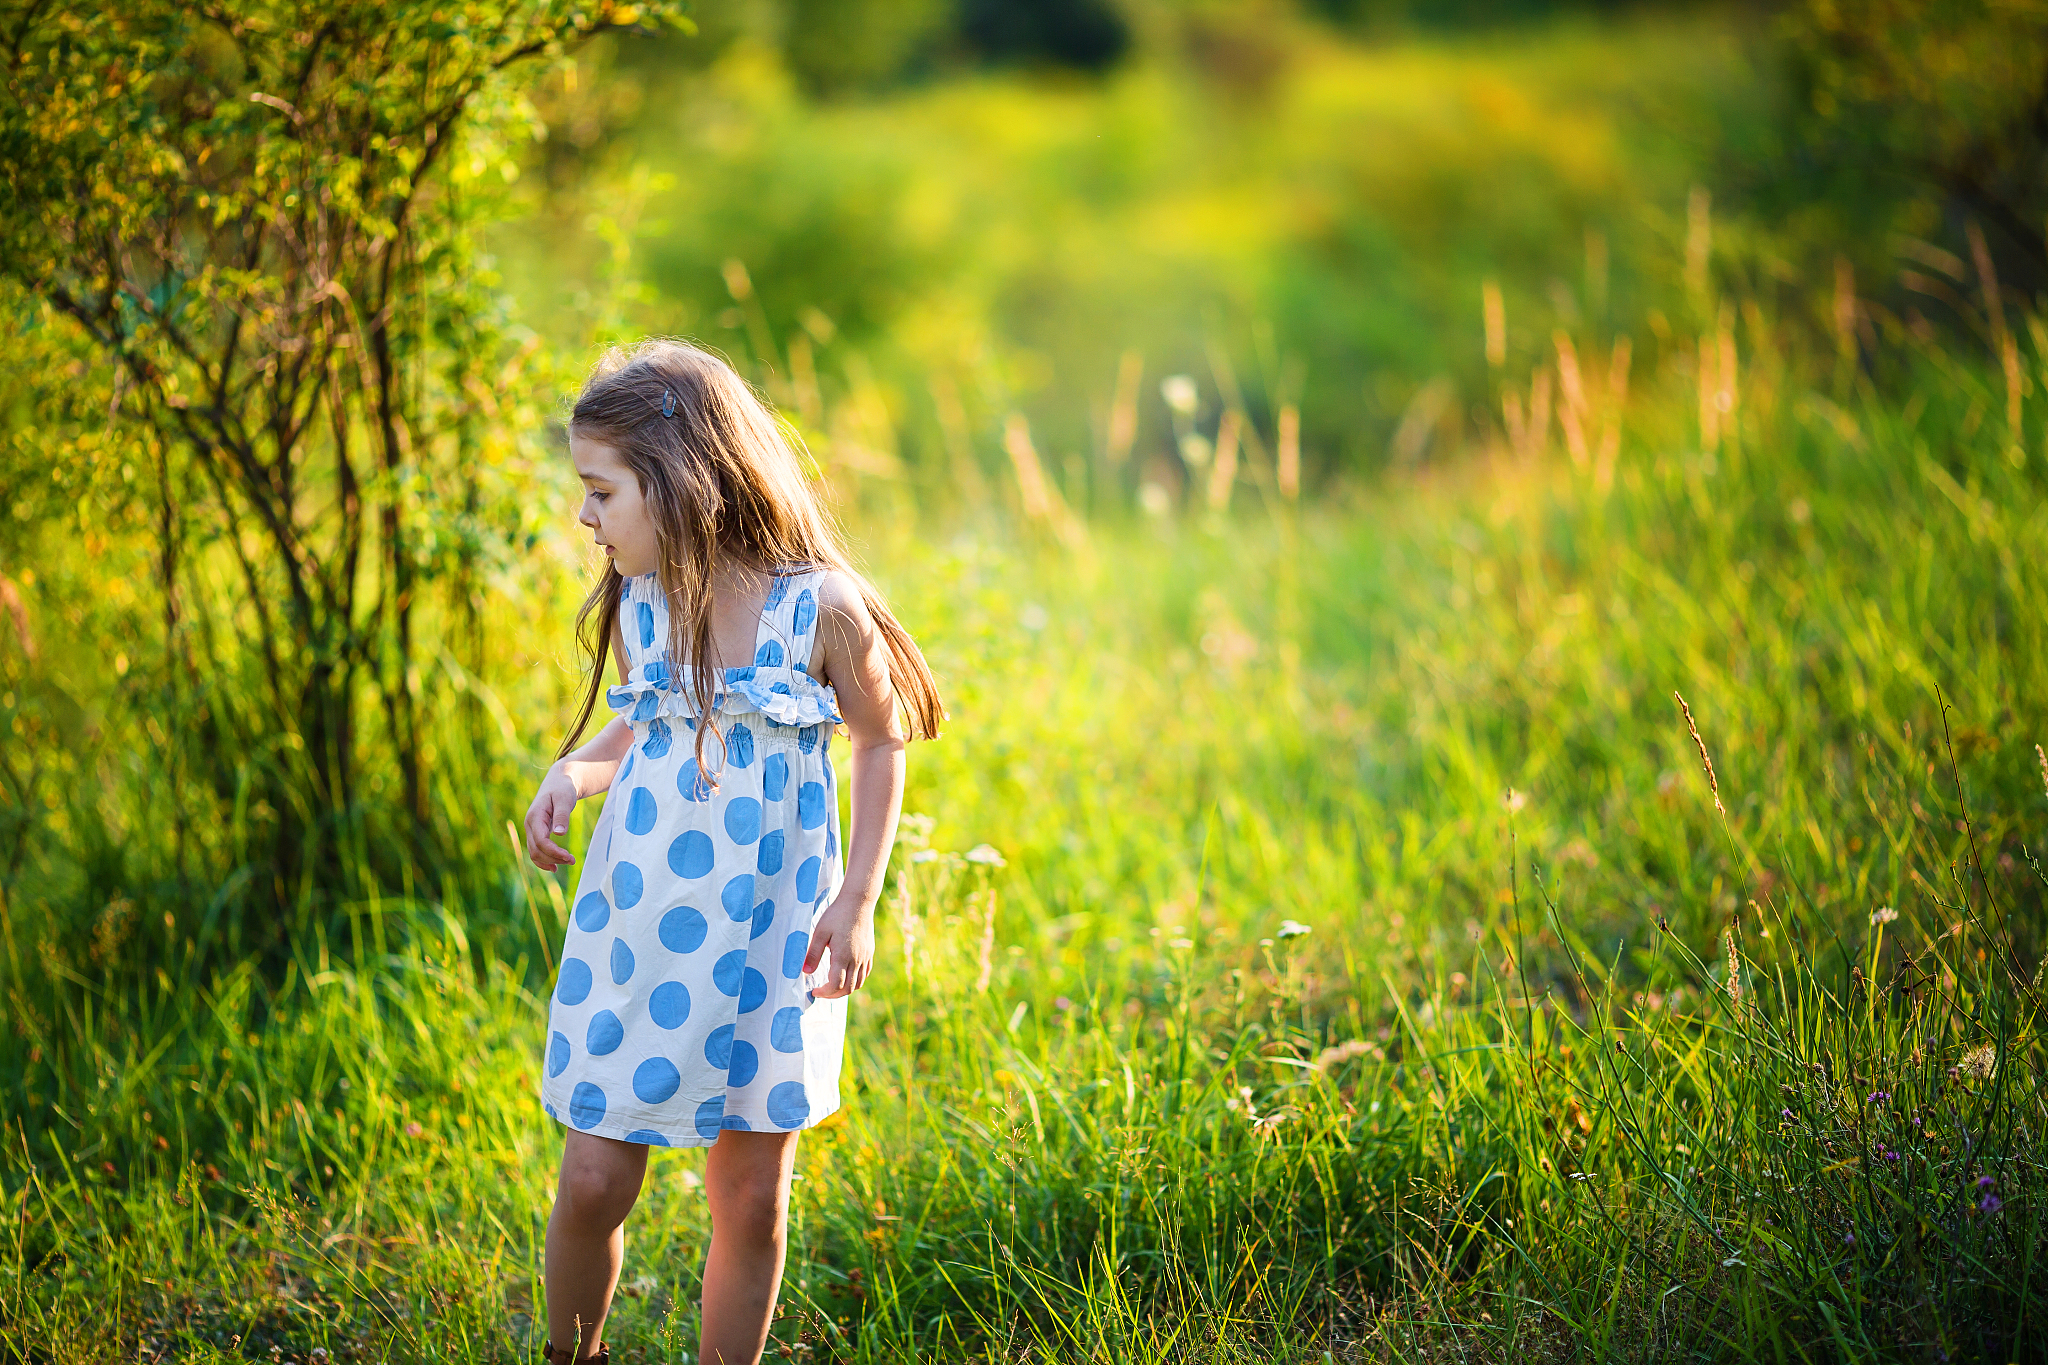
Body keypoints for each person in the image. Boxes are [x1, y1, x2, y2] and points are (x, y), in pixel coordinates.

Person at [520, 339, 944, 1365]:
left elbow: (885, 739)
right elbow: (647, 728)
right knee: (591, 1182)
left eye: (599, 491)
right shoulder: (642, 600)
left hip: (771, 938)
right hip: (644, 930)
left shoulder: (820, 609)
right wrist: (573, 773)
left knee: (749, 1199)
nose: (585, 517)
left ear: (679, 484)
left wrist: (856, 899)